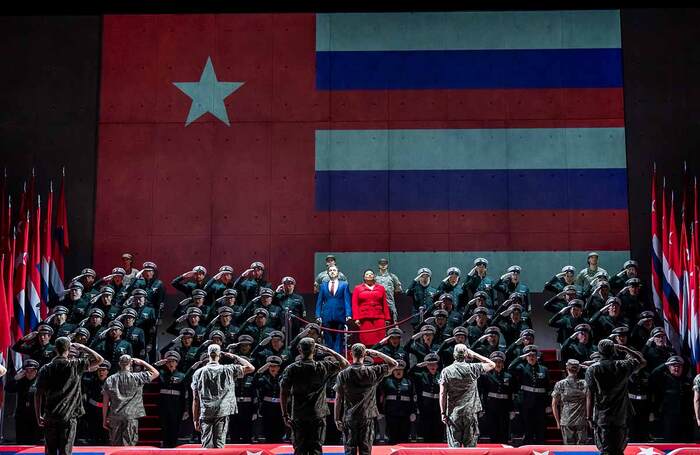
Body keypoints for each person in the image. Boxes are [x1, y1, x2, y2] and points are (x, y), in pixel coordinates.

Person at [280, 337, 349, 455]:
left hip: (298, 414)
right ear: (315, 350)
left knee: (299, 448)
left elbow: (283, 392)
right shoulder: (322, 367)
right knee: (316, 448)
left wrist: (285, 414)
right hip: (318, 414)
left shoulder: (292, 368)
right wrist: (329, 351)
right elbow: (346, 364)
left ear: (299, 350)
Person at [34, 337, 104, 455]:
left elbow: (37, 394)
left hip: (50, 415)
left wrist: (38, 416)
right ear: (68, 349)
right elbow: (99, 359)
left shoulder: (45, 368)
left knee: (50, 451)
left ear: (55, 349)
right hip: (68, 416)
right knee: (65, 451)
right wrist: (83, 348)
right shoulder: (75, 365)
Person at [334, 343, 399, 455]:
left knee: (350, 451)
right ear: (365, 354)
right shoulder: (373, 371)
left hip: (349, 417)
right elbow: (394, 363)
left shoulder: (343, 374)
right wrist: (376, 353)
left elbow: (338, 398)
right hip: (367, 416)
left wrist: (336, 419)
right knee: (366, 450)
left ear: (351, 353)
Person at [585, 339, 645, 455]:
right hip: (620, 415)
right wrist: (626, 349)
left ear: (599, 352)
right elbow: (641, 361)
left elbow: (589, 394)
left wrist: (588, 416)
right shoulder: (622, 365)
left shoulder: (592, 369)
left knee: (605, 450)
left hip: (602, 416)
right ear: (613, 351)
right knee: (618, 450)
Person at [190, 343, 255, 448]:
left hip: (206, 411)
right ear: (219, 355)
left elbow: (195, 399)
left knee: (207, 445)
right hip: (222, 411)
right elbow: (251, 368)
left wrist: (195, 419)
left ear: (208, 355)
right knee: (219, 444)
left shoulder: (198, 372)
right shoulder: (228, 369)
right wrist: (235, 357)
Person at [438, 344, 495, 447]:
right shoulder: (473, 368)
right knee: (470, 448)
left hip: (453, 414)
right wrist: (474, 354)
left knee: (454, 447)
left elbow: (442, 393)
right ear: (466, 355)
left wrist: (442, 413)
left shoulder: (446, 371)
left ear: (454, 355)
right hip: (470, 412)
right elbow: (492, 364)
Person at [102, 354, 159, 446]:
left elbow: (105, 402)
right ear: (131, 364)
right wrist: (142, 362)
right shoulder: (138, 377)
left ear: (119, 364)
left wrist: (104, 419)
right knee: (129, 446)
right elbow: (156, 373)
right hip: (131, 416)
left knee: (115, 446)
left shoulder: (110, 379)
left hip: (115, 416)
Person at [649, 356, 694, 442]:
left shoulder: (686, 380)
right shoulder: (664, 379)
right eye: (673, 365)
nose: (677, 368)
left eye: (679, 366)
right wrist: (665, 364)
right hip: (668, 417)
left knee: (685, 441)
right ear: (669, 367)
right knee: (669, 440)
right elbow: (653, 374)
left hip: (685, 417)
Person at [478, 351, 515, 444]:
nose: (498, 364)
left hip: (504, 408)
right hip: (491, 407)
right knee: (493, 431)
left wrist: (512, 409)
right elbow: (481, 392)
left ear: (503, 364)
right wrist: (481, 407)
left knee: (504, 431)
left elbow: (511, 394)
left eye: (500, 362)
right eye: (495, 362)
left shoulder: (509, 376)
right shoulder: (486, 376)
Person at [315, 265, 352, 353]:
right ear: (328, 273)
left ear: (338, 273)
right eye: (330, 270)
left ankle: (337, 355)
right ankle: (330, 354)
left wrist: (348, 314)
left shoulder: (344, 284)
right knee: (327, 335)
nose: (332, 271)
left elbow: (347, 300)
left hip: (340, 314)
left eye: (334, 270)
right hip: (326, 314)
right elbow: (319, 301)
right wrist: (318, 315)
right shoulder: (323, 285)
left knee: (339, 335)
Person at [552, 359, 588, 444]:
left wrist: (557, 421)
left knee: (569, 448)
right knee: (582, 449)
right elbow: (590, 401)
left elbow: (554, 404)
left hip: (566, 420)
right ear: (578, 369)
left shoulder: (560, 384)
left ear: (567, 368)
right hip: (581, 420)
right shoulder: (585, 383)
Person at [352, 270, 391, 346]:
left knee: (380, 338)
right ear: (364, 277)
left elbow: (384, 304)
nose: (369, 275)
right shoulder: (358, 288)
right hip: (365, 317)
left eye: (371, 274)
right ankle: (368, 355)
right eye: (367, 274)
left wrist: (387, 318)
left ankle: (380, 356)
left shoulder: (381, 288)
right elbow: (355, 304)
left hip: (379, 316)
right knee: (367, 338)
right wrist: (356, 318)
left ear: (374, 276)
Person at [6, 359, 40, 444]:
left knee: (35, 444)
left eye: (31, 370)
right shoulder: (21, 381)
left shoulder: (40, 382)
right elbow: (8, 388)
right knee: (21, 442)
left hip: (35, 417)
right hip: (22, 417)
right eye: (27, 371)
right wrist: (15, 378)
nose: (29, 373)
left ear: (36, 371)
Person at [374, 257, 403, 323]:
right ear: (379, 265)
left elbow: (398, 289)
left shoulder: (392, 276)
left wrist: (389, 292)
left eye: (385, 264)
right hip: (378, 301)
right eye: (381, 264)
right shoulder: (375, 277)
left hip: (389, 300)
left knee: (393, 315)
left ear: (387, 265)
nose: (383, 265)